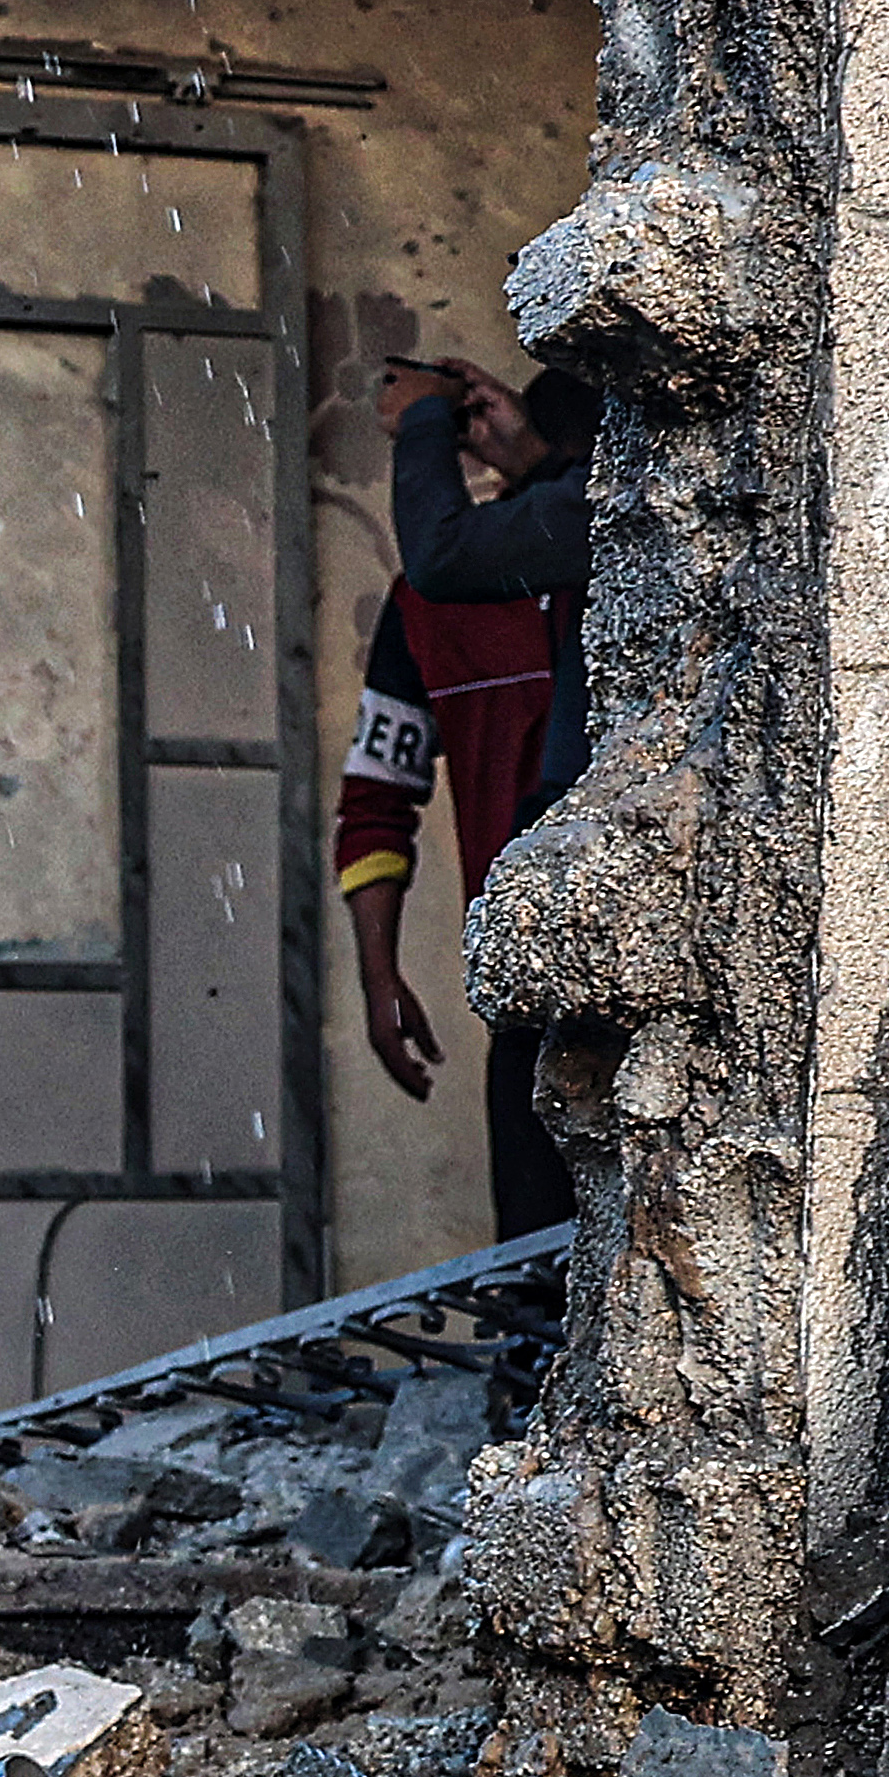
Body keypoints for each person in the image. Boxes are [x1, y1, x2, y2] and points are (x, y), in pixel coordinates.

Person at [354, 357, 596, 1242]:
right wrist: (381, 978)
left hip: (549, 972)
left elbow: (376, 795)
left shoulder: (598, 539)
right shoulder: (433, 601)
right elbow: (379, 791)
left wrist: (379, 976)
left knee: (544, 1267)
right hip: (539, 977)